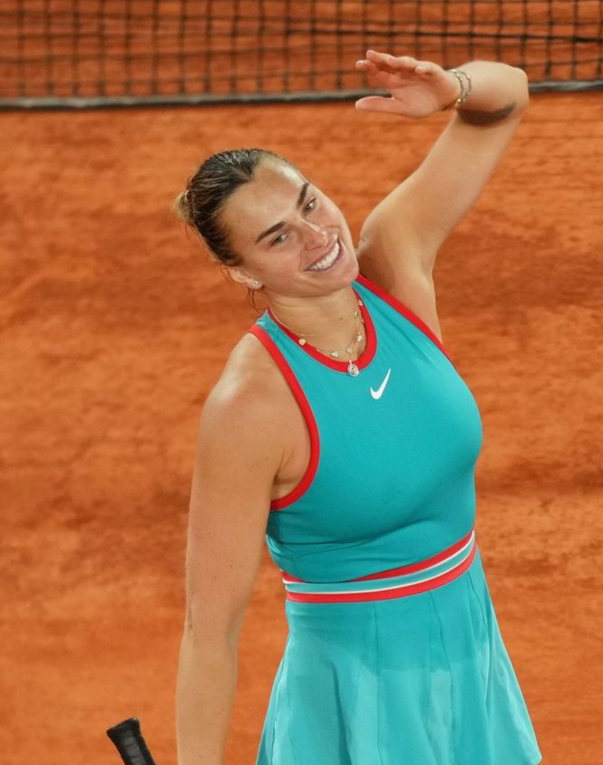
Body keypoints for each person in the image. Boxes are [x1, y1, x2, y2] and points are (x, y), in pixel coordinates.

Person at [172, 52, 541, 765]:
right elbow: (209, 630)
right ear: (240, 270)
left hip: (474, 661)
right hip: (355, 702)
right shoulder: (252, 408)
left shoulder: (394, 263)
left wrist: (453, 89)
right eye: (278, 236)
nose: (317, 236)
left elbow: (507, 99)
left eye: (309, 202)